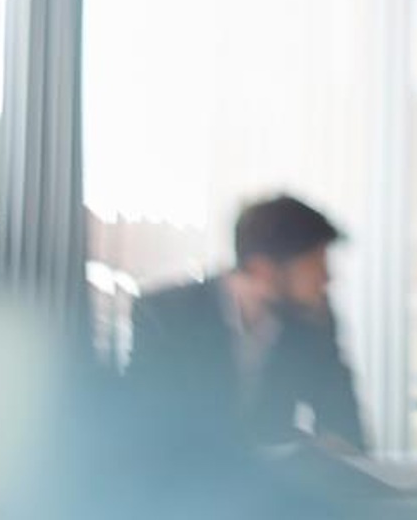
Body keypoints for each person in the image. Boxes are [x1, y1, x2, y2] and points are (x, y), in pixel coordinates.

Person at [127, 195, 367, 457]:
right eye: (315, 265)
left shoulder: (314, 318)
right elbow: (147, 427)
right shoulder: (166, 314)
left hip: (276, 489)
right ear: (262, 270)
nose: (327, 278)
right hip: (182, 485)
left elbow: (345, 428)